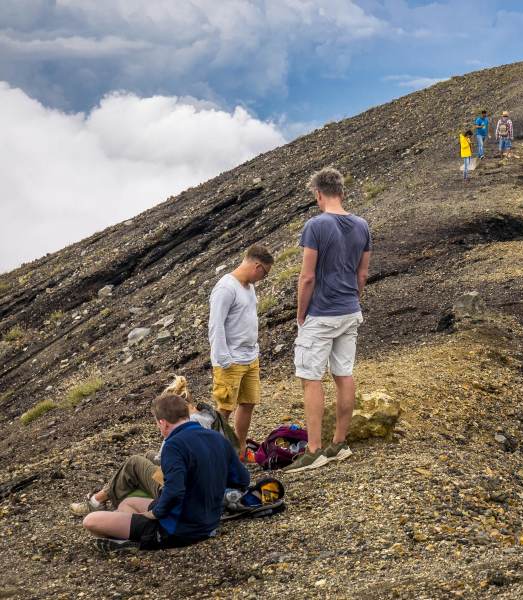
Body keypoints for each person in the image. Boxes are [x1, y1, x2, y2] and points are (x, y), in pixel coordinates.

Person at [82, 392, 250, 551]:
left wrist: (155, 513)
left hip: (177, 530)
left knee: (90, 521)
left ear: (163, 422)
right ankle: (129, 535)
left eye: (157, 423)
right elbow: (242, 479)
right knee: (128, 503)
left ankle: (139, 537)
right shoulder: (216, 438)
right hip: (209, 522)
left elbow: (175, 491)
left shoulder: (174, 445)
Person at [285, 168, 371, 473]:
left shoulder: (316, 225)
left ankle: (314, 449)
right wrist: (354, 299)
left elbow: (307, 276)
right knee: (343, 374)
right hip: (350, 309)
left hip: (322, 313)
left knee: (311, 377)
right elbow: (362, 273)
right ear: (342, 192)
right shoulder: (362, 225)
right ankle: (340, 443)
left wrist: (300, 315)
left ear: (318, 194)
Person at [68, 376, 236, 516]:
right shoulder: (209, 416)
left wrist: (158, 510)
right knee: (148, 456)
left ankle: (97, 501)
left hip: (188, 489)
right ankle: (109, 492)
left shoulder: (184, 428)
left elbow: (167, 461)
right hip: (213, 479)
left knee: (135, 463)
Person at [209, 244, 273, 460]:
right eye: (264, 272)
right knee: (224, 407)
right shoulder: (226, 288)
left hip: (250, 357)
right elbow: (215, 326)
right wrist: (223, 359)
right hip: (230, 360)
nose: (263, 278)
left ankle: (239, 447)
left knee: (248, 402)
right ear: (256, 266)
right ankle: (212, 451)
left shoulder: (249, 287)